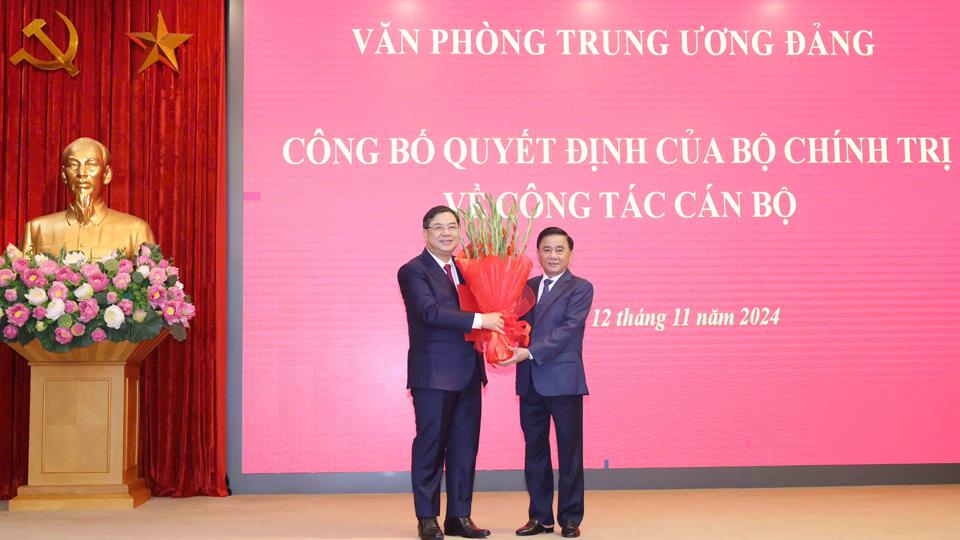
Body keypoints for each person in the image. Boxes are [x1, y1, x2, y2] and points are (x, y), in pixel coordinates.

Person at [398, 205, 505, 540]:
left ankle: (459, 516)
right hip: (433, 374)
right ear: (425, 233)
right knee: (430, 447)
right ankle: (427, 517)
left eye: (452, 227)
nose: (447, 233)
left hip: (469, 372)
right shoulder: (412, 271)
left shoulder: (469, 269)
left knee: (464, 449)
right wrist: (481, 320)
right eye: (439, 227)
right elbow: (429, 312)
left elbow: (488, 303)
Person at [500, 227, 593, 539]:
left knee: (570, 453)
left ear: (570, 254)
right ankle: (540, 517)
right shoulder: (526, 286)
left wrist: (528, 352)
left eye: (559, 249)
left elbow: (568, 330)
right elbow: (516, 325)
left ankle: (570, 518)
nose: (553, 255)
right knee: (535, 452)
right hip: (530, 383)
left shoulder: (580, 288)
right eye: (547, 249)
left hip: (564, 382)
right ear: (538, 253)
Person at [20, 137, 155, 259]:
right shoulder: (37, 230)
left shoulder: (136, 230)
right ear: (64, 175)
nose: (81, 173)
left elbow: (151, 276)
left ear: (107, 174)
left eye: (91, 165)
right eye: (73, 165)